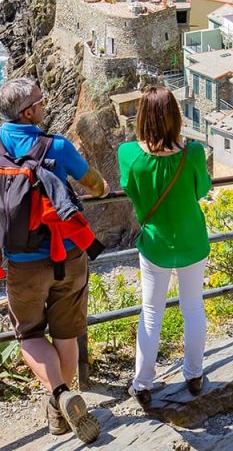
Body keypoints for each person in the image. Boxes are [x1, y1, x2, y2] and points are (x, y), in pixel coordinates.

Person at [0, 77, 109, 443]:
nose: (45, 105)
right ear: (29, 112)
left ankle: (59, 399)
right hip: (67, 255)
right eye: (41, 101)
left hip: (21, 262)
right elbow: (96, 186)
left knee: (29, 332)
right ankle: (63, 396)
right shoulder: (57, 146)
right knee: (66, 332)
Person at [118, 85, 211, 408]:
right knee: (193, 308)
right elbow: (202, 190)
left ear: (142, 117)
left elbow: (129, 189)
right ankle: (194, 375)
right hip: (191, 239)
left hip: (155, 243)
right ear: (176, 117)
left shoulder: (129, 155)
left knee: (151, 313)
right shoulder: (194, 153)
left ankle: (142, 384)